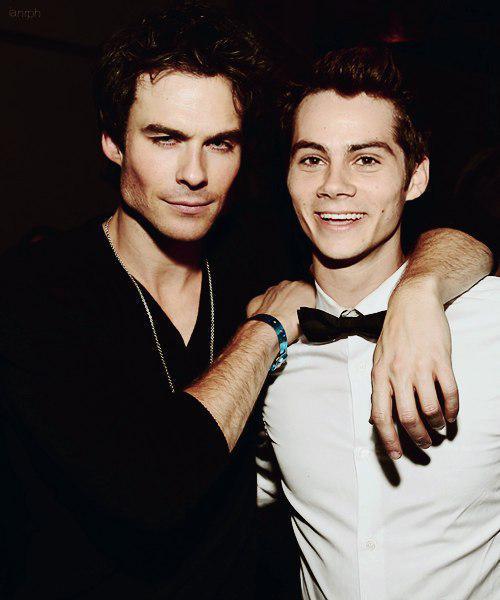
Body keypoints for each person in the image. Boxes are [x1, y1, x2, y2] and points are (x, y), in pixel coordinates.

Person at [0, 4, 493, 598]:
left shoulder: (257, 255)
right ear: (112, 141)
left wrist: (421, 290)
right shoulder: (36, 291)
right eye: (165, 139)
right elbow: (151, 490)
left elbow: (449, 235)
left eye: (220, 143)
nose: (194, 173)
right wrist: (267, 331)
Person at [258, 46, 500, 599]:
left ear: (415, 177)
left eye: (366, 160)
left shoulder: (490, 322)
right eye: (311, 159)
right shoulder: (266, 348)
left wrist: (421, 287)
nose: (333, 185)